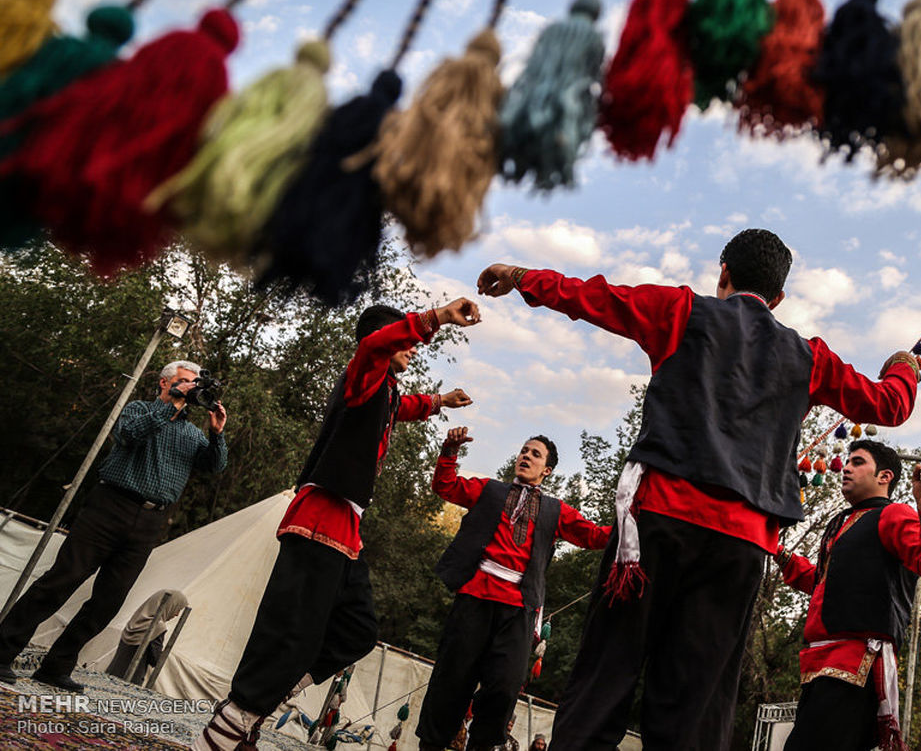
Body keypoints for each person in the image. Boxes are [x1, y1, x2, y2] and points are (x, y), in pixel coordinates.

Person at [476, 228, 921, 749]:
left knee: (605, 679)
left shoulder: (682, 311)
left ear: (723, 275)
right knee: (695, 706)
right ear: (778, 298)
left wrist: (523, 277)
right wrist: (903, 367)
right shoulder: (808, 357)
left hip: (655, 531)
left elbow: (594, 297)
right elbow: (889, 405)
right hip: (741, 547)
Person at [193, 299, 480, 751]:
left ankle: (263, 700)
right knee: (291, 626)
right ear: (386, 342)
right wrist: (437, 318)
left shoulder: (383, 392)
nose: (412, 350)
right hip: (320, 515)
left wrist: (440, 402)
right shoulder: (364, 373)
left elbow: (401, 407)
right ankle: (230, 724)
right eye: (402, 342)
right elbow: (375, 346)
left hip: (347, 526)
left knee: (358, 628)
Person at [0, 360, 227, 692]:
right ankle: (3, 650)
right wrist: (170, 406)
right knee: (61, 581)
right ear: (165, 383)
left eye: (196, 384)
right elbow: (128, 435)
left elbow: (214, 467)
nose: (192, 388)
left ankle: (56, 666)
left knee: (109, 600)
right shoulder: (138, 410)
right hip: (110, 507)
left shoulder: (191, 433)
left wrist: (217, 433)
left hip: (150, 521)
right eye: (184, 382)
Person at [416, 428, 611, 751]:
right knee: (452, 679)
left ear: (546, 470)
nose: (526, 456)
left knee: (506, 686)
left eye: (535, 454)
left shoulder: (555, 510)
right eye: (524, 450)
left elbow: (593, 536)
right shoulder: (489, 491)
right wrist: (450, 450)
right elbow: (445, 486)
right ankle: (432, 745)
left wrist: (634, 522)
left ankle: (482, 745)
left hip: (519, 608)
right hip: (474, 598)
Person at [775, 440, 921, 751]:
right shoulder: (840, 523)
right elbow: (825, 584)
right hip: (818, 664)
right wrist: (780, 555)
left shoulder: (894, 515)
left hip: (855, 663)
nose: (846, 468)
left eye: (858, 462)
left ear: (884, 477)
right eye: (847, 461)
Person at [104, 589, 188, 685]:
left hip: (111, 674)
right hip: (131, 681)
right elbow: (155, 660)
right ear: (169, 605)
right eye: (177, 609)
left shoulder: (135, 620)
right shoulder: (158, 626)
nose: (177, 614)